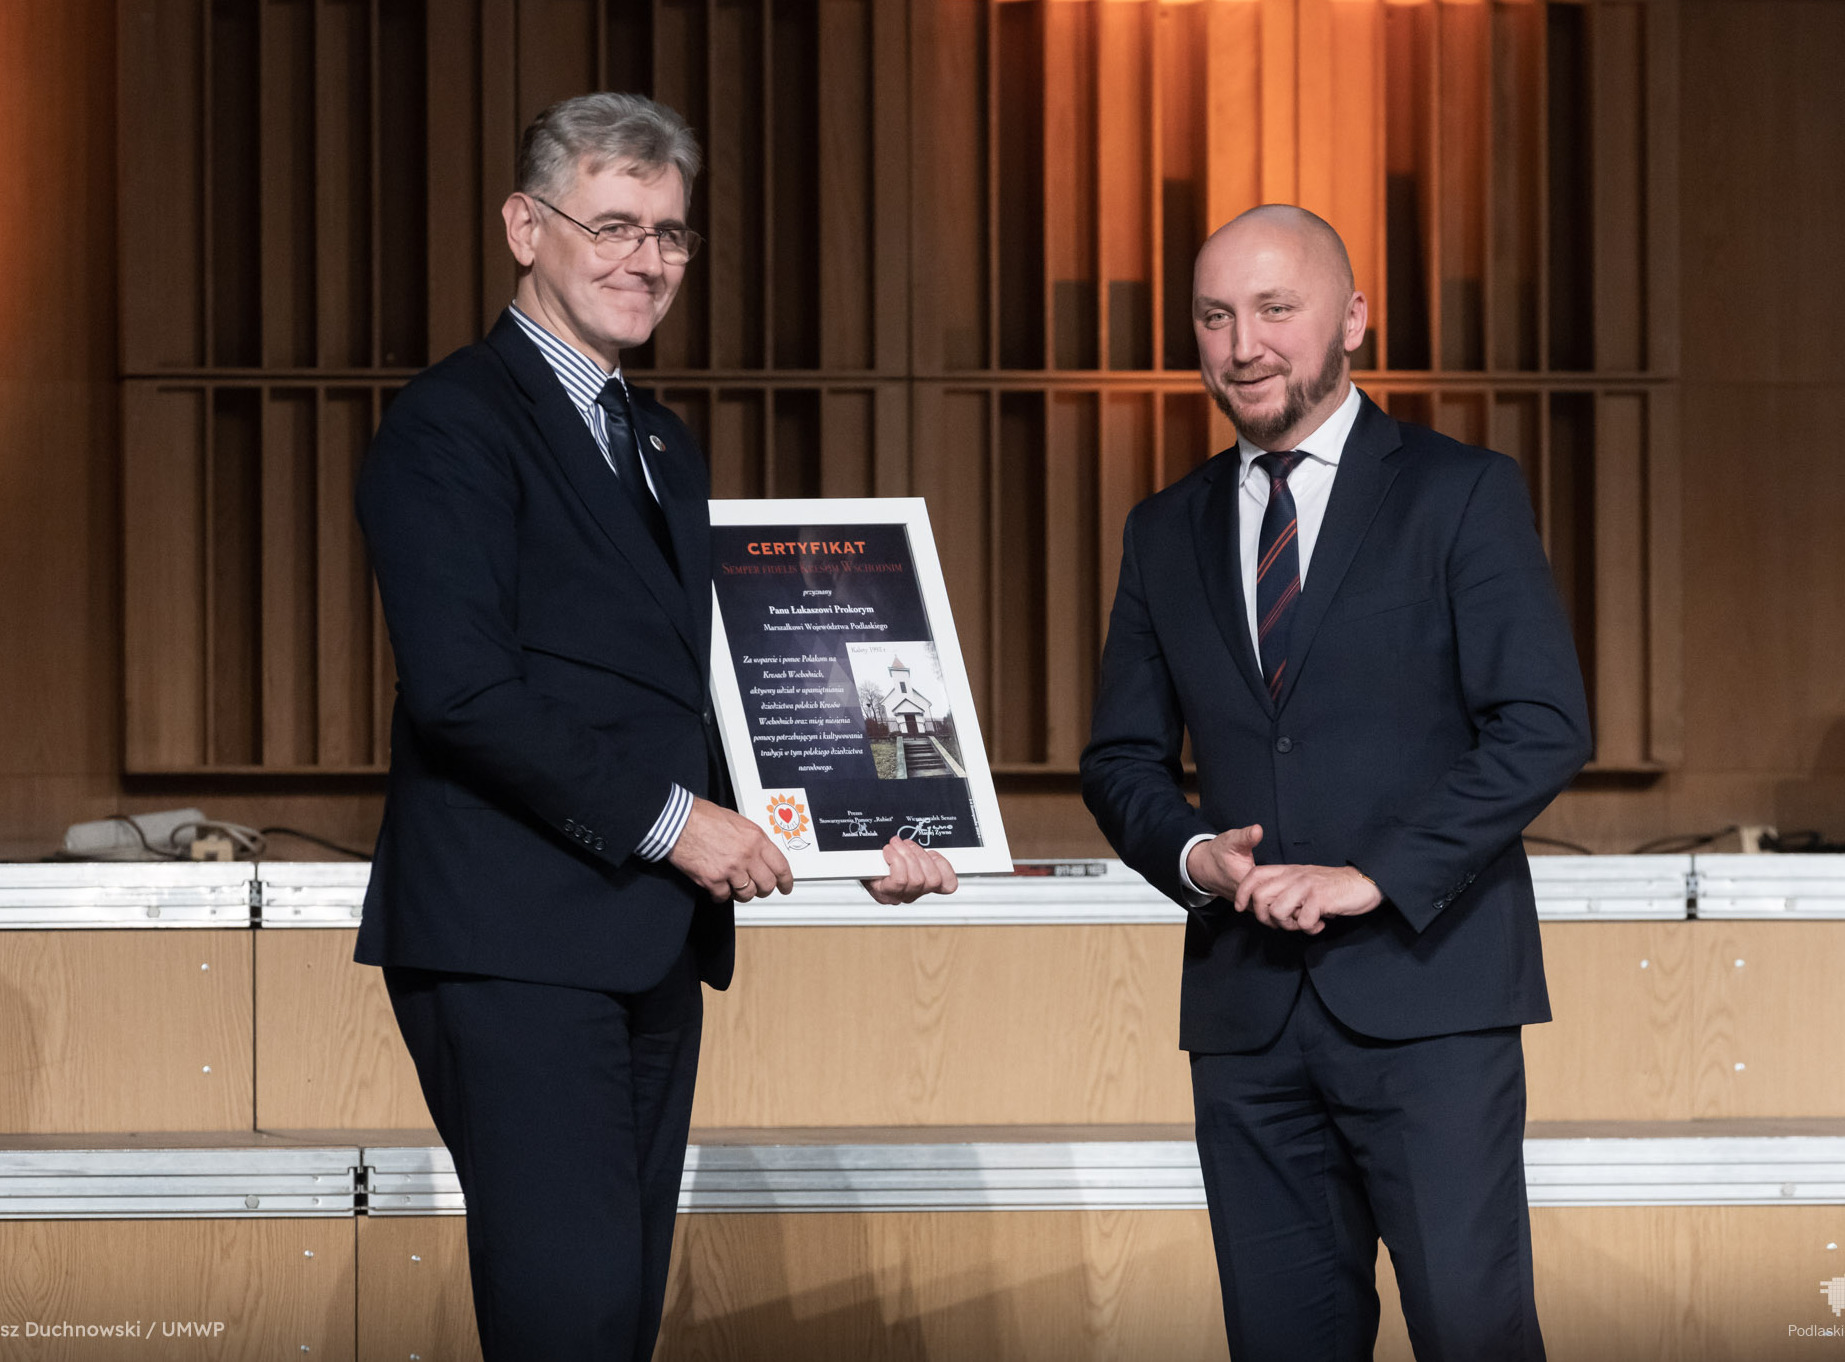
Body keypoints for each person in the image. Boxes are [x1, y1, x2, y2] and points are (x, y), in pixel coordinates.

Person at [356, 92, 955, 1360]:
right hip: (513, 940)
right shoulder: (451, 423)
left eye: (671, 234)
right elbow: (462, 693)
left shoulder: (663, 447)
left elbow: (700, 697)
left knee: (616, 1319)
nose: (647, 260)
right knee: (566, 1313)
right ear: (526, 227)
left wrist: (862, 829)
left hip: (641, 941)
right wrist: (680, 825)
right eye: (614, 224)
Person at [1080, 204, 1591, 1361]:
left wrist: (1376, 875)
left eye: (1274, 309)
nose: (1242, 344)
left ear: (1354, 317)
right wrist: (1193, 856)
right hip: (1246, 1016)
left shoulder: (1462, 493)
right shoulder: (1163, 529)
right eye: (1214, 316)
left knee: (1473, 1332)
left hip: (1428, 997)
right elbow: (1119, 759)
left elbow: (1544, 724)